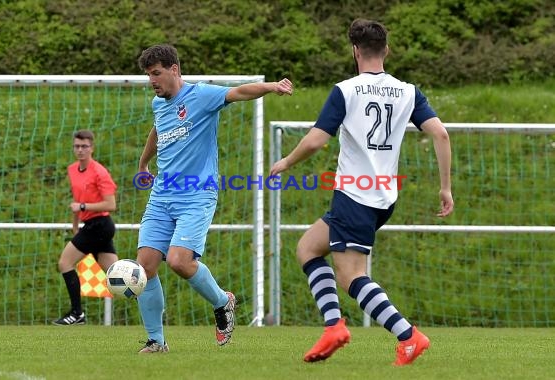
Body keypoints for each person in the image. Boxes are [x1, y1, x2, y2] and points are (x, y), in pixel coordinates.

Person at [270, 18, 454, 365]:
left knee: (351, 275)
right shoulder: (408, 91)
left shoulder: (347, 90)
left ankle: (408, 335)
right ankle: (333, 327)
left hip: (354, 195)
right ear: (386, 50)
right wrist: (445, 188)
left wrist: (286, 162)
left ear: (355, 51)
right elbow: (441, 135)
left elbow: (316, 140)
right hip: (383, 198)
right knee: (308, 247)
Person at [135, 44, 293, 353]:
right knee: (145, 267)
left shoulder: (201, 96)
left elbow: (240, 92)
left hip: (197, 194)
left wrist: (273, 86)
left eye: (156, 74)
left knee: (180, 262)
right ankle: (156, 341)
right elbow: (158, 129)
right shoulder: (159, 103)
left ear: (174, 70)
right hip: (161, 195)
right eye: (148, 75)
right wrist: (143, 163)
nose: (152, 81)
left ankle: (223, 302)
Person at [52, 129, 118, 325]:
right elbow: (77, 200)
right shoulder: (73, 169)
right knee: (117, 275)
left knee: (65, 263)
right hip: (90, 225)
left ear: (92, 148)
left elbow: (111, 205)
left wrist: (83, 207)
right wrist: (75, 225)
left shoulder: (99, 172)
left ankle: (77, 313)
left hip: (101, 225)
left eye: (84, 146)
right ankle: (151, 301)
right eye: (77, 146)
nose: (80, 150)